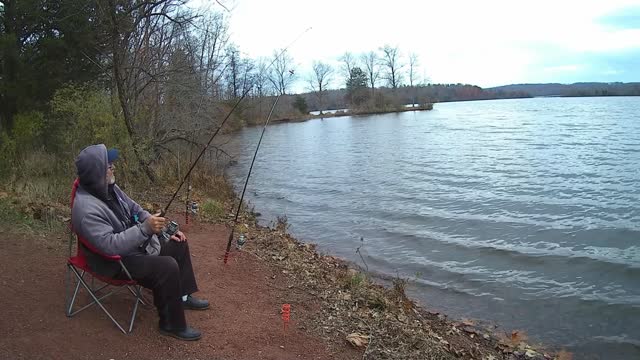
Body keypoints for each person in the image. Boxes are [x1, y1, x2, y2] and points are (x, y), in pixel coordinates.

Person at [71, 144, 208, 341]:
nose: (114, 167)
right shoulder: (86, 210)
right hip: (113, 262)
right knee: (166, 266)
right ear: (98, 173)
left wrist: (158, 225)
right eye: (109, 165)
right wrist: (145, 229)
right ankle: (170, 324)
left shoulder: (109, 188)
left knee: (178, 243)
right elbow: (109, 246)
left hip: (134, 247)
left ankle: (182, 297)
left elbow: (135, 209)